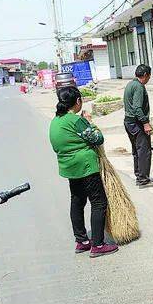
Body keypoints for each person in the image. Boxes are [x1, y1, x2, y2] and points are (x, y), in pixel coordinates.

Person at [49, 87, 119, 258]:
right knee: (99, 202)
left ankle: (82, 241)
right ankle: (98, 244)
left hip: (69, 168)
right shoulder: (76, 120)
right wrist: (88, 122)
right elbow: (97, 139)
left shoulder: (55, 121)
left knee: (77, 201)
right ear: (78, 101)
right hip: (86, 166)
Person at [124, 64, 153, 188]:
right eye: (149, 76)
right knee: (144, 151)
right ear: (145, 75)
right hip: (136, 123)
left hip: (128, 122)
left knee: (137, 151)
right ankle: (143, 180)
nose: (149, 79)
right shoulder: (139, 87)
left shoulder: (130, 84)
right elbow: (137, 108)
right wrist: (145, 123)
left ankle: (139, 176)